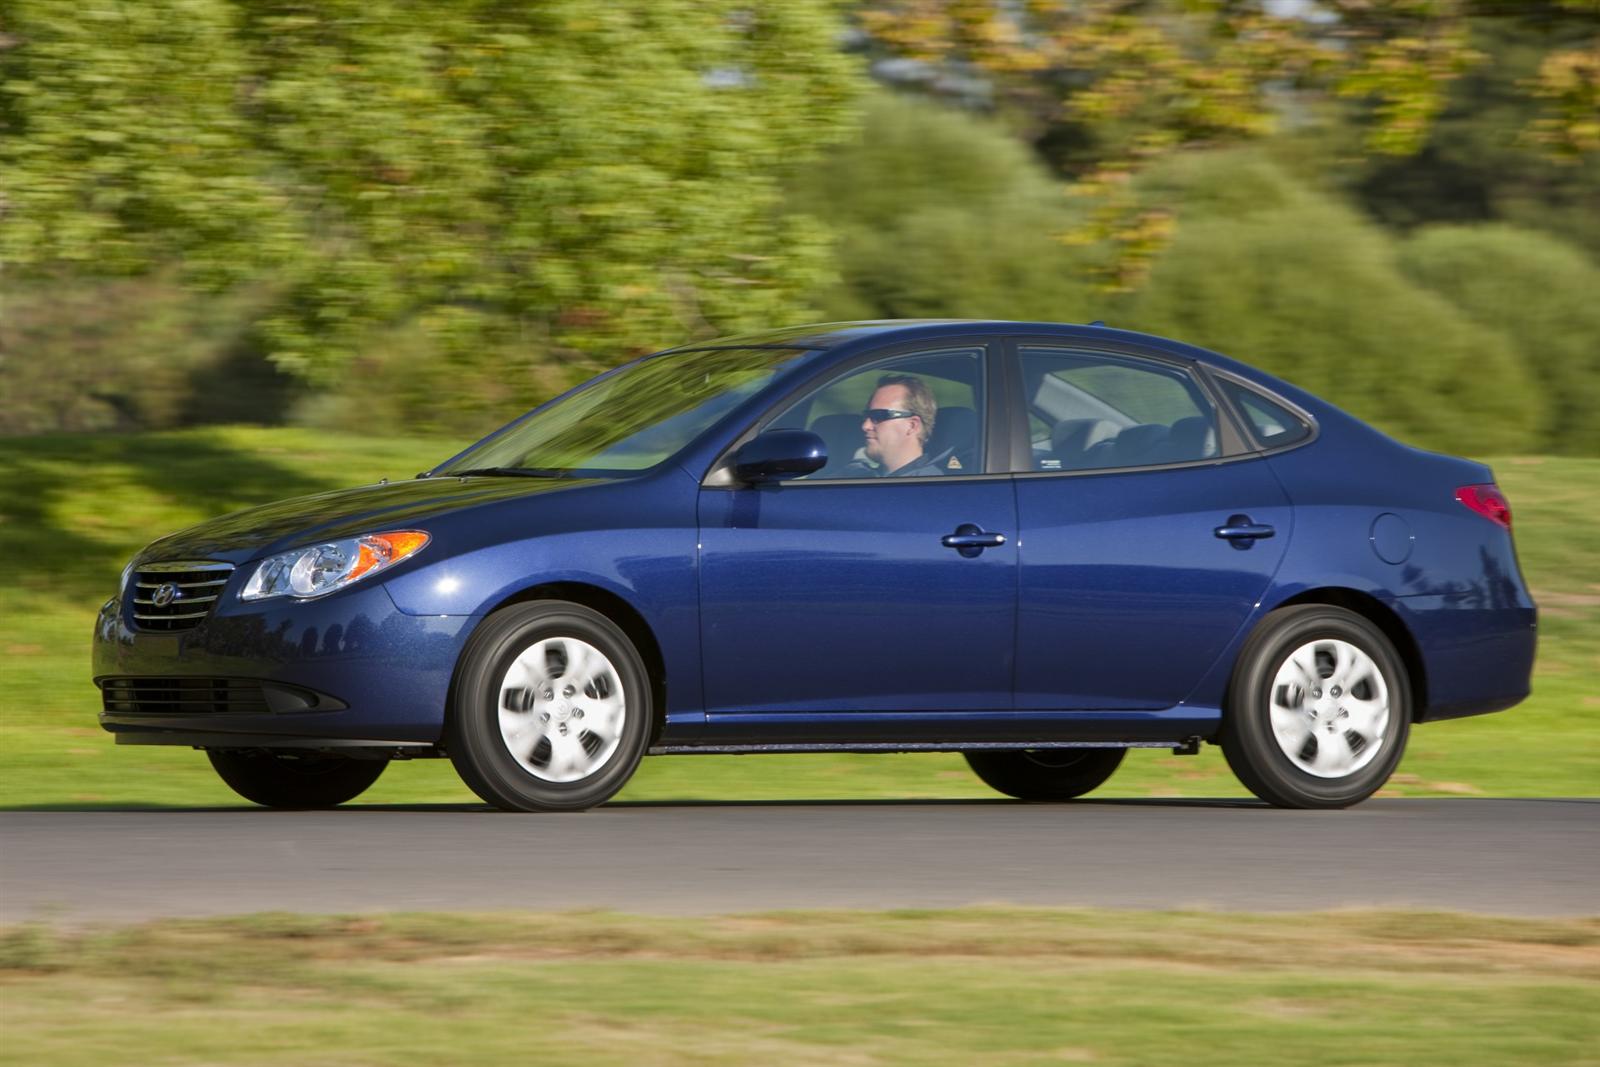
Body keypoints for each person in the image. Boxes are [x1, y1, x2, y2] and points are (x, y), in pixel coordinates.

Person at [848, 374, 946, 477]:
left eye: (879, 416)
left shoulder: (927, 486)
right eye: (866, 416)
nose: (865, 426)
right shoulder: (859, 475)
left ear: (912, 426)